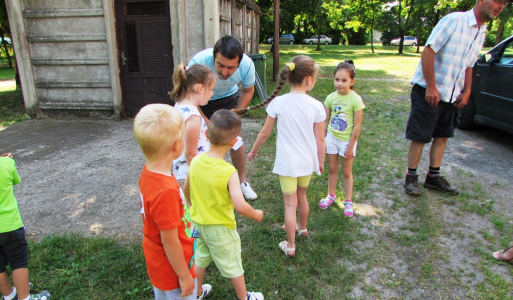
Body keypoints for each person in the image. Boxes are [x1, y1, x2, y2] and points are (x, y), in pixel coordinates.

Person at [404, 0, 506, 196]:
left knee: (442, 136)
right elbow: (428, 51)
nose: (500, 6)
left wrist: (467, 91)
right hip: (429, 90)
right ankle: (411, 178)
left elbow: (469, 65)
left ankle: (433, 177)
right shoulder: (454, 21)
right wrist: (432, 87)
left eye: (504, 3)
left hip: (452, 95)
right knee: (420, 136)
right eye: (497, 0)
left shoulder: (482, 31)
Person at [247, 55, 326, 257]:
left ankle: (290, 246)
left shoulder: (278, 103)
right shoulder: (316, 106)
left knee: (290, 204)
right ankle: (302, 228)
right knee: (302, 196)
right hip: (307, 162)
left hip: (287, 164)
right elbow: (320, 140)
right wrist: (321, 161)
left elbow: (264, 132)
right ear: (309, 79)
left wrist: (254, 150)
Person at [185, 109, 264, 300]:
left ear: (206, 134)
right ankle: (243, 298)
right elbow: (240, 205)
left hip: (199, 223)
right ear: (233, 142)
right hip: (220, 228)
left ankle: (196, 293)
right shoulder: (229, 172)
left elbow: (186, 188)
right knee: (233, 264)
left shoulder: (195, 161)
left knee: (201, 258)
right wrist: (256, 214)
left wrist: (191, 206)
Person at [133, 104, 211, 300]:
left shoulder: (149, 173)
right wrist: (184, 276)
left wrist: (191, 232)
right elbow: (169, 241)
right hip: (174, 271)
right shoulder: (165, 191)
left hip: (159, 261)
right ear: (176, 146)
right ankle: (192, 289)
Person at [188, 35, 258, 201]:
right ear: (213, 58)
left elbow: (248, 91)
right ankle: (204, 185)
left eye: (230, 67)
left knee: (235, 139)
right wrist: (205, 119)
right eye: (220, 65)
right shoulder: (199, 62)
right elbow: (189, 95)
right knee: (201, 142)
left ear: (239, 63)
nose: (224, 72)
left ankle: (242, 183)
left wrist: (235, 115)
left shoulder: (247, 65)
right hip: (201, 99)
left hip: (229, 98)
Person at [0, 152, 51, 300]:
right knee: (18, 261)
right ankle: (24, 298)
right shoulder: (6, 164)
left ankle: (9, 296)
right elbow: (15, 180)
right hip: (10, 225)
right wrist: (6, 161)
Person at [318, 60, 365, 217]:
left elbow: (357, 126)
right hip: (331, 138)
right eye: (337, 79)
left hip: (347, 142)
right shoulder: (330, 98)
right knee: (332, 168)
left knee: (346, 172)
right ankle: (331, 195)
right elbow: (325, 120)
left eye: (344, 80)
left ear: (352, 81)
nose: (339, 83)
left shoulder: (355, 100)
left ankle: (348, 201)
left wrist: (351, 146)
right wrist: (323, 139)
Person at [170, 63, 216, 187]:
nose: (212, 93)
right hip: (191, 175)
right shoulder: (193, 117)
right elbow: (190, 154)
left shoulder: (179, 106)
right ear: (200, 88)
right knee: (194, 206)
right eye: (211, 89)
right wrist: (203, 177)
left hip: (181, 171)